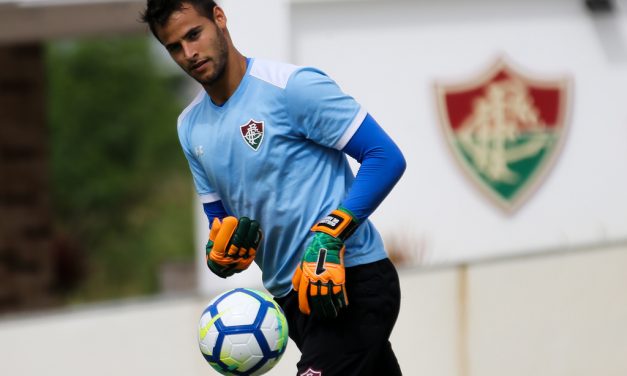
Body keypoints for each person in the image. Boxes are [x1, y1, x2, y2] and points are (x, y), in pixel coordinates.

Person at [141, 1, 406, 375]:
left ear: (219, 18)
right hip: (290, 303)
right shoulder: (190, 127)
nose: (189, 53)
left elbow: (385, 157)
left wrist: (330, 234)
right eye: (174, 46)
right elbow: (220, 223)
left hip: (350, 282)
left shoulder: (292, 87)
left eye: (194, 34)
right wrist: (220, 257)